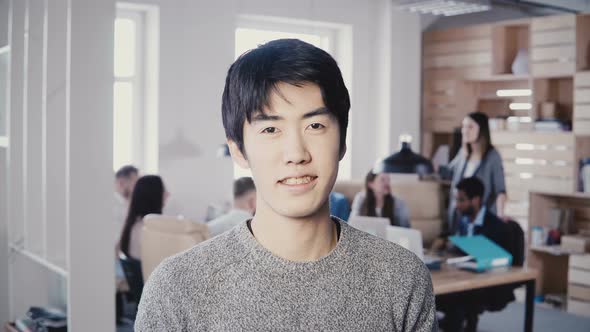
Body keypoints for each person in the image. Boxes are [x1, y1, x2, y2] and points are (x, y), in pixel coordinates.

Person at [135, 39, 436, 331]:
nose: (296, 154)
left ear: (342, 140)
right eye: (270, 128)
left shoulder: (401, 278)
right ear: (238, 150)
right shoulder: (176, 289)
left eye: (315, 126)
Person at [437, 177, 514, 332]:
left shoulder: (495, 227)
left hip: (485, 284)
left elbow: (497, 261)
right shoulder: (463, 220)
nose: (457, 205)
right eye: (456, 200)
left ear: (476, 200)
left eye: (461, 200)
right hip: (462, 278)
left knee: (455, 302)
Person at [446, 112, 507, 231]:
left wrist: (500, 217)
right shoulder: (463, 154)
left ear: (482, 130)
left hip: (481, 219)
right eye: (463, 126)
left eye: (470, 127)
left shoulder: (492, 156)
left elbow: (500, 190)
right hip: (459, 217)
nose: (465, 131)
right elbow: (447, 173)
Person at [118, 175, 168, 261]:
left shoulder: (134, 225)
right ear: (154, 195)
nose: (167, 194)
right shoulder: (150, 230)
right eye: (163, 190)